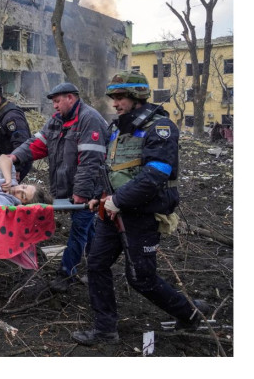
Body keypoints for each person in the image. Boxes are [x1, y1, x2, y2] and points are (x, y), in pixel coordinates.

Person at [71, 73, 208, 345]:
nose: (115, 103)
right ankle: (105, 331)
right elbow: (109, 169)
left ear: (137, 98)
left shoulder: (160, 128)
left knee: (141, 279)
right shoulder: (117, 129)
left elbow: (156, 174)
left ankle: (190, 315)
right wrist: (99, 196)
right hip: (112, 214)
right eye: (114, 98)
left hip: (141, 216)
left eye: (120, 98)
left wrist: (118, 200)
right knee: (97, 264)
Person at [2, 81, 106, 292]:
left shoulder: (89, 119)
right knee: (89, 228)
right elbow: (37, 143)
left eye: (58, 101)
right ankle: (99, 266)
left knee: (79, 228)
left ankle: (66, 274)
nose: (55, 106)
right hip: (69, 185)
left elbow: (91, 161)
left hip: (90, 188)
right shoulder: (57, 121)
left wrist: (81, 192)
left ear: (71, 98)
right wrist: (14, 157)